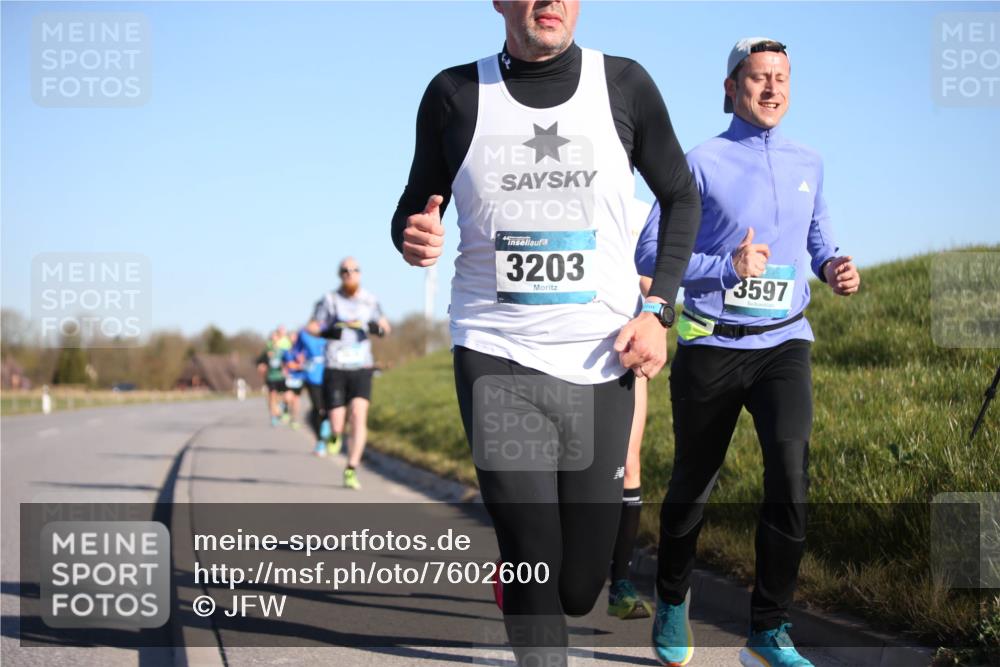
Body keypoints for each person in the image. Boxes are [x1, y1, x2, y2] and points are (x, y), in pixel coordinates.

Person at [392, 2, 699, 663]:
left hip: (601, 358)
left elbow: (682, 196)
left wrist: (661, 309)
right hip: (496, 353)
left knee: (579, 582)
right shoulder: (455, 93)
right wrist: (412, 236)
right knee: (532, 551)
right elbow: (413, 204)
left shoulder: (624, 85)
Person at [635, 37, 860, 667]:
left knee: (790, 476)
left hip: (783, 341)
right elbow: (650, 255)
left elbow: (818, 240)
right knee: (694, 483)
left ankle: (769, 629)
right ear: (731, 89)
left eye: (781, 78)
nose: (771, 89)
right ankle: (673, 598)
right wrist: (724, 266)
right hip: (711, 342)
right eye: (758, 78)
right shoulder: (701, 162)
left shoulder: (809, 161)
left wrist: (835, 264)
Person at [607, 198, 658, 621]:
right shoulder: (564, 197)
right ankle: (526, 558)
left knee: (627, 463)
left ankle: (620, 582)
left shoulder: (647, 212)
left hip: (624, 350)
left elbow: (653, 276)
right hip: (562, 349)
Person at [313, 257, 391, 489]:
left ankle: (351, 468)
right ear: (340, 274)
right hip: (335, 366)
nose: (349, 273)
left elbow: (386, 327)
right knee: (338, 422)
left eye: (354, 270)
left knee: (358, 414)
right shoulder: (329, 300)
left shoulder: (370, 300)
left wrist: (372, 328)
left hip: (361, 366)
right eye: (345, 271)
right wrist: (330, 331)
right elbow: (312, 327)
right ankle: (334, 434)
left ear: (360, 273)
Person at [292, 319, 333, 455]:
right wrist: (298, 358)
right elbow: (296, 351)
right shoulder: (304, 334)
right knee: (318, 408)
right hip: (312, 376)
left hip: (331, 374)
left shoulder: (329, 329)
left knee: (330, 407)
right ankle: (320, 441)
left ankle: (327, 426)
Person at [256, 329, 288, 427]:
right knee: (272, 396)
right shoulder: (267, 352)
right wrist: (262, 367)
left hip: (281, 378)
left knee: (282, 397)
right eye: (272, 338)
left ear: (279, 339)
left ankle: (282, 408)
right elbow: (259, 363)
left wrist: (285, 368)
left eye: (276, 337)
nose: (274, 340)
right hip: (271, 377)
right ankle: (273, 416)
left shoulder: (283, 352)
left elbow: (288, 362)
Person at [280, 330, 304, 430]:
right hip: (290, 378)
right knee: (287, 397)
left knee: (296, 400)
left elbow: (305, 362)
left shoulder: (302, 349)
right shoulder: (287, 351)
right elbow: (289, 364)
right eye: (291, 337)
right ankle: (285, 408)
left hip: (300, 378)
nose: (293, 339)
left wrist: (301, 365)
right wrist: (298, 366)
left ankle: (294, 419)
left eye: (295, 337)